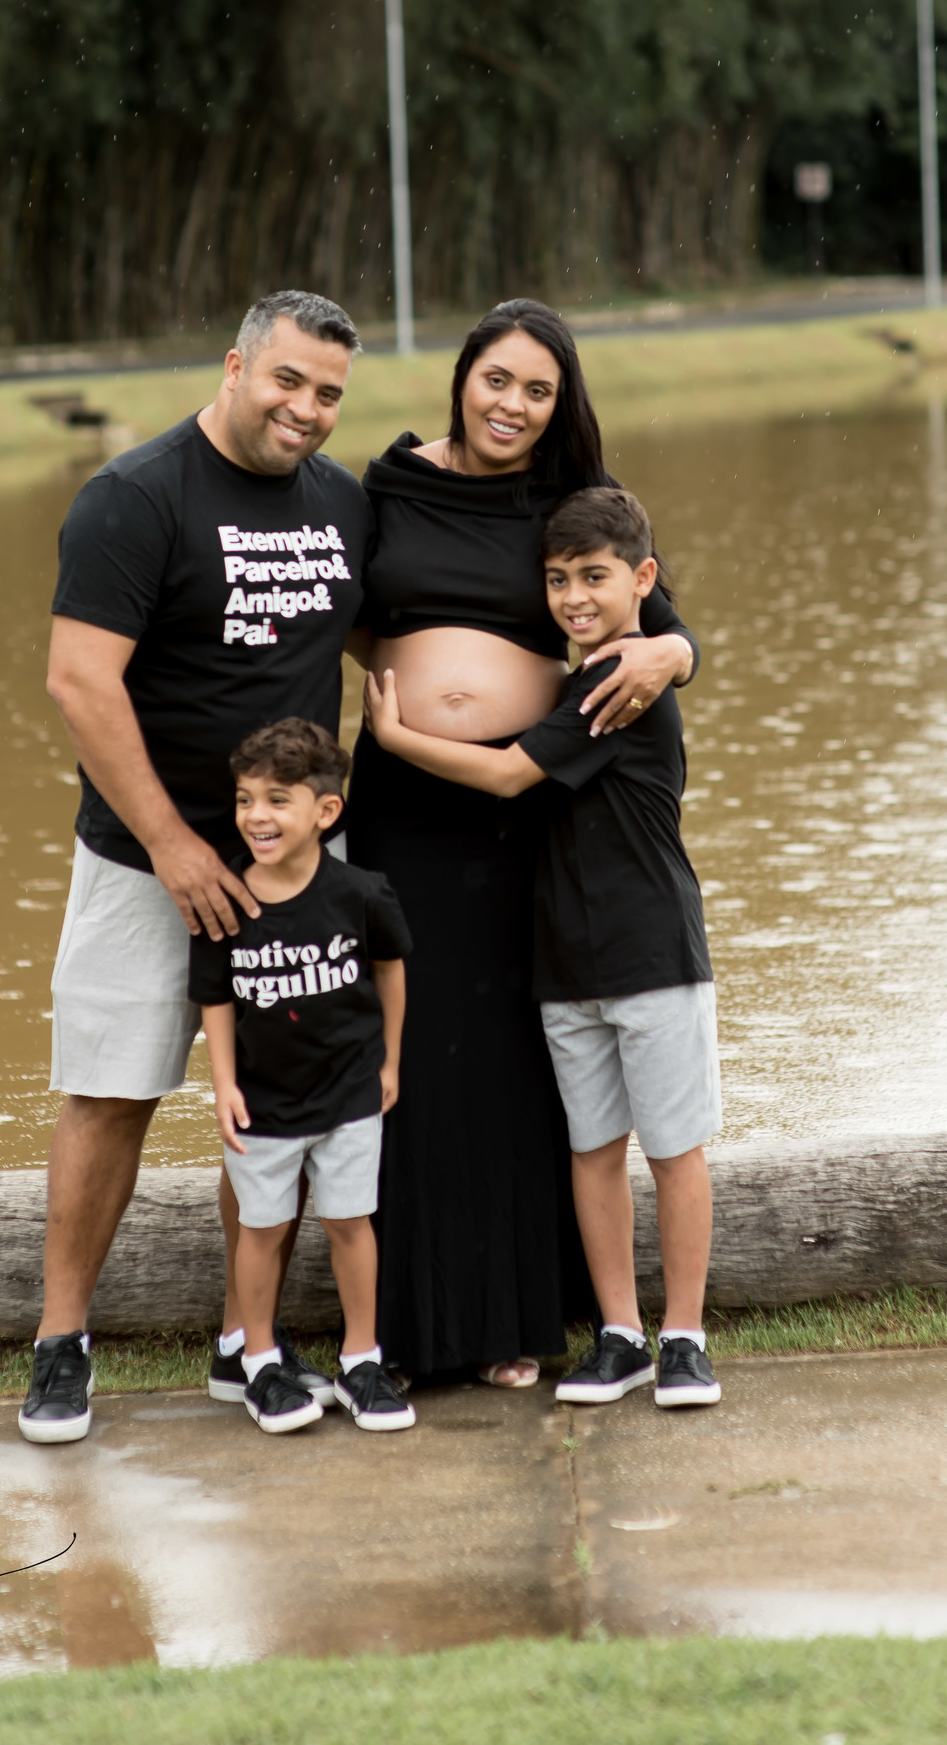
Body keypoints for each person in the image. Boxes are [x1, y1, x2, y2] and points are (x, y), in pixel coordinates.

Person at [19, 291, 372, 1445]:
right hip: (140, 860)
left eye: (329, 393)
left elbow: (395, 630)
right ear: (235, 365)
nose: (306, 409)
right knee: (110, 1093)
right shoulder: (136, 497)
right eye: (288, 380)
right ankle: (61, 1340)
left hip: (291, 873)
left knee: (276, 1103)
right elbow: (80, 681)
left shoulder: (340, 503)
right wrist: (173, 843)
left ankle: (245, 1340)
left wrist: (656, 636)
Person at [346, 299, 699, 1387]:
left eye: (539, 390)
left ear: (561, 405)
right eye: (497, 379)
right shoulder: (389, 485)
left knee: (509, 1060)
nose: (513, 404)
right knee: (410, 1054)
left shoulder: (566, 498)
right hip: (400, 809)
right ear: (462, 376)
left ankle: (515, 1318)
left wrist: (677, 653)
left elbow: (654, 618)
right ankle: (409, 1328)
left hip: (520, 812)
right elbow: (336, 611)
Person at [189, 717, 415, 1434]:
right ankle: (259, 1363)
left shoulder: (362, 893)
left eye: (277, 799)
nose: (256, 815)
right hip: (264, 1105)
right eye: (245, 798)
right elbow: (215, 997)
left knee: (350, 1222)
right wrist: (224, 1084)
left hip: (349, 1095)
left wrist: (390, 1059)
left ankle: (361, 1361)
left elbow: (391, 969)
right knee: (262, 1229)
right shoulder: (225, 902)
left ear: (326, 810)